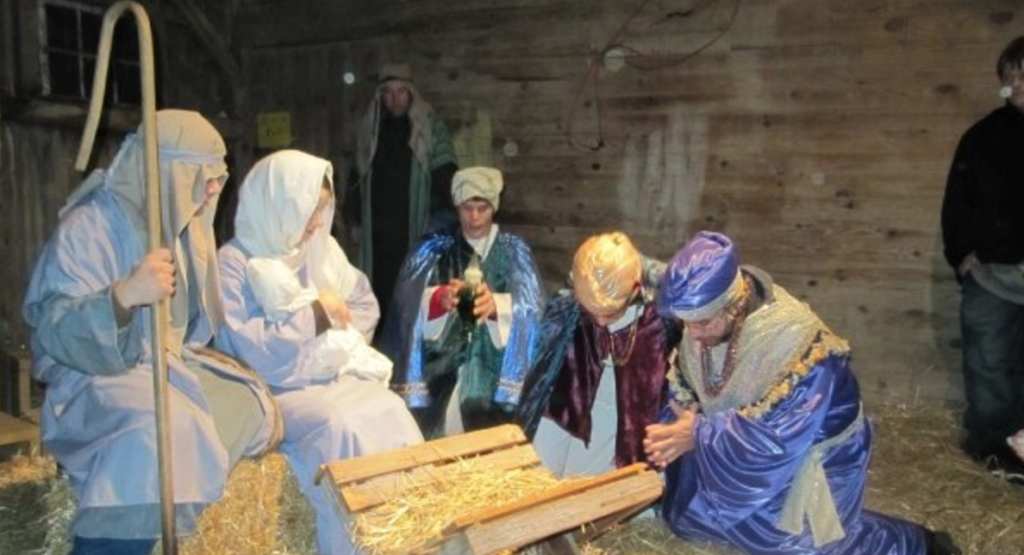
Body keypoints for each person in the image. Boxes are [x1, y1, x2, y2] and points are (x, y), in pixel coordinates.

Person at [22, 110, 282, 555]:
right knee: (159, 430)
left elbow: (189, 332)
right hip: (95, 375)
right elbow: (50, 331)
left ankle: (171, 532)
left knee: (248, 404)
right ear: (169, 174)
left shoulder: (183, 227)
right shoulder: (90, 226)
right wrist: (121, 298)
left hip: (164, 365)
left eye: (220, 176)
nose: (217, 188)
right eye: (205, 176)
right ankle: (110, 542)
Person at [644, 231, 961, 555]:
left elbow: (778, 439)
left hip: (811, 453)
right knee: (690, 518)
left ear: (734, 304)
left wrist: (699, 434)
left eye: (702, 323)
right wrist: (674, 431)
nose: (693, 336)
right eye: (688, 324)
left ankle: (918, 544)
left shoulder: (797, 344)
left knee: (798, 544)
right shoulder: (704, 320)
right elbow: (685, 389)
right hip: (735, 448)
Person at [214, 149, 424, 555]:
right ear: (279, 204)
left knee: (389, 408)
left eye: (323, 209)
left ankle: (409, 536)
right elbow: (251, 348)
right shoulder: (235, 263)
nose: (315, 223)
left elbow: (364, 305)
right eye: (310, 209)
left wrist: (334, 345)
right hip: (272, 389)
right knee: (342, 424)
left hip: (327, 375)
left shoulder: (319, 250)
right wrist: (315, 317)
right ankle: (358, 543)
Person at [380, 166, 544, 439]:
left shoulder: (514, 250)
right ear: (457, 207)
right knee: (437, 421)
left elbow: (534, 309)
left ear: (495, 207)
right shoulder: (434, 248)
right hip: (440, 361)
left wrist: (497, 307)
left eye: (483, 207)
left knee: (482, 409)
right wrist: (438, 299)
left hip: (496, 365)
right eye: (467, 208)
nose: (475, 217)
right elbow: (405, 304)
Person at [517, 232, 678, 477]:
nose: (601, 322)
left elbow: (692, 283)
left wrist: (643, 267)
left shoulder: (655, 323)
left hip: (618, 417)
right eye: (592, 312)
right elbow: (542, 376)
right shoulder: (568, 310)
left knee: (584, 484)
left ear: (635, 289)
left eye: (611, 313)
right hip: (567, 405)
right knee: (538, 474)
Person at [941, 35, 1024, 481]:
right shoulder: (983, 138)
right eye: (1012, 74)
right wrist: (961, 257)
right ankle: (994, 454)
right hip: (993, 275)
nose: (1020, 81)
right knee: (989, 366)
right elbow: (957, 203)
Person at [350, 63, 459, 333]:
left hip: (414, 222)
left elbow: (445, 172)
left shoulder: (428, 125)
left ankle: (408, 347)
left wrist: (450, 219)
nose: (394, 98)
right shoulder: (372, 127)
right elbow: (358, 173)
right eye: (388, 92)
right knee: (378, 287)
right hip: (377, 228)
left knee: (410, 285)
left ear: (411, 93)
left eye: (401, 91)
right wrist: (354, 218)